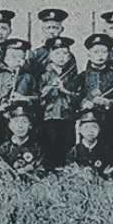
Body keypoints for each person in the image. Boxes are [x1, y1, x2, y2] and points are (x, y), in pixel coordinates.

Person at [36, 36, 80, 170]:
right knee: (49, 144)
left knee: (67, 143)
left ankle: (65, 169)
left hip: (67, 116)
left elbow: (78, 97)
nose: (61, 57)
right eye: (57, 53)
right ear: (50, 55)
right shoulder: (44, 75)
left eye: (65, 53)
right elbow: (38, 97)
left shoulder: (73, 76)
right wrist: (48, 89)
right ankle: (49, 170)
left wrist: (64, 90)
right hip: (49, 116)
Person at [78, 33, 113, 153]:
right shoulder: (82, 76)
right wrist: (84, 103)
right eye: (96, 52)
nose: (100, 56)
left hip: (109, 120)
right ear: (89, 54)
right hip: (88, 120)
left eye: (103, 52)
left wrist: (107, 102)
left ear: (109, 54)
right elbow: (75, 97)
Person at [0, 102, 45, 177]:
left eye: (24, 122)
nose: (20, 126)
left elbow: (42, 168)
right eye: (15, 122)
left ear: (30, 125)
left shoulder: (36, 148)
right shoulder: (5, 148)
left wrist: (28, 170)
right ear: (10, 125)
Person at [66, 109, 113, 179]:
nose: (90, 131)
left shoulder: (105, 150)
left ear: (99, 129)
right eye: (86, 127)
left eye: (94, 127)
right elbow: (69, 171)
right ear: (80, 130)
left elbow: (110, 170)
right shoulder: (74, 151)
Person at [28, 9, 73, 76]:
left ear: (62, 29)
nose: (51, 31)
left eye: (55, 28)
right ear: (43, 29)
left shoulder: (68, 55)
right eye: (48, 28)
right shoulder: (37, 53)